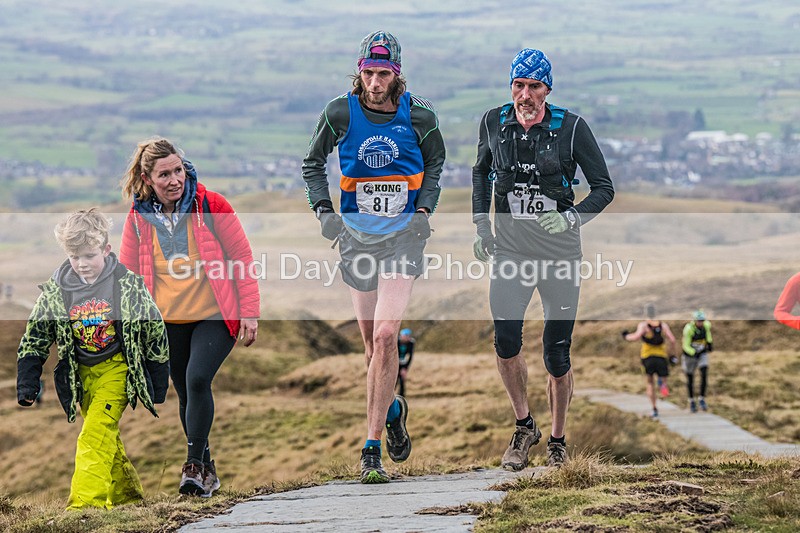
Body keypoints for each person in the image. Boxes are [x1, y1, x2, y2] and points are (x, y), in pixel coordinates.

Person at [302, 30, 444, 483]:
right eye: (368, 73)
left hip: (403, 238)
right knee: (370, 351)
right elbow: (312, 163)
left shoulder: (419, 115)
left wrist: (423, 209)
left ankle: (371, 448)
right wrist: (323, 210)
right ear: (358, 71)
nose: (375, 82)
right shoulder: (339, 112)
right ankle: (394, 407)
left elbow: (437, 165)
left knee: (386, 338)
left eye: (384, 73)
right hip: (357, 238)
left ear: (396, 74)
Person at [472, 49, 614, 469]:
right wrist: (482, 228)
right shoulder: (492, 122)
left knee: (556, 354)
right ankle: (523, 426)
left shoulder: (572, 128)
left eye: (534, 86)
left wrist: (570, 218)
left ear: (547, 89)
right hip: (511, 251)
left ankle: (557, 440)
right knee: (506, 342)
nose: (525, 95)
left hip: (559, 255)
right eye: (518, 85)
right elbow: (480, 171)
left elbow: (604, 187)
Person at [120, 137, 260, 497]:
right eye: (164, 174)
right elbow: (128, 275)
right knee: (184, 391)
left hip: (215, 314)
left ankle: (193, 467)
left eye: (178, 170)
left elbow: (242, 256)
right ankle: (207, 472)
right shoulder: (138, 218)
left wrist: (249, 311)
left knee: (198, 379)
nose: (174, 180)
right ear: (147, 178)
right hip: (167, 321)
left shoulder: (210, 205)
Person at [17, 208, 169, 509]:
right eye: (75, 257)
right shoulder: (57, 290)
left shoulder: (126, 285)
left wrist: (158, 379)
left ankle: (84, 508)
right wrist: (27, 381)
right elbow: (36, 335)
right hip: (81, 377)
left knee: (93, 435)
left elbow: (154, 329)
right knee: (104, 437)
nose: (82, 264)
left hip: (117, 371)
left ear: (106, 250)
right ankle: (128, 500)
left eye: (89, 255)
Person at [622, 304, 677, 418]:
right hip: (661, 356)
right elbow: (672, 339)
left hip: (647, 357)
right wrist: (672, 355)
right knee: (662, 377)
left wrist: (626, 336)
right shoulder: (663, 325)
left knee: (649, 383)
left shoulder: (644, 325)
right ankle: (663, 385)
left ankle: (654, 408)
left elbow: (635, 337)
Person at [681, 310, 713, 412]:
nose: (700, 323)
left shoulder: (706, 326)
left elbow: (708, 335)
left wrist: (709, 343)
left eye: (702, 321)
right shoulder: (689, 329)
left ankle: (702, 398)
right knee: (690, 378)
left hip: (702, 353)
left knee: (704, 372)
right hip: (690, 356)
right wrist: (693, 352)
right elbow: (685, 345)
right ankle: (691, 401)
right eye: (698, 321)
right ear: (694, 321)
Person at [396, 328, 415, 397]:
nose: (407, 338)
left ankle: (401, 396)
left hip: (403, 363)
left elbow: (410, 356)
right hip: (394, 363)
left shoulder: (411, 343)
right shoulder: (396, 341)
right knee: (394, 379)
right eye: (405, 336)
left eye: (408, 336)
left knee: (402, 379)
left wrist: (405, 368)